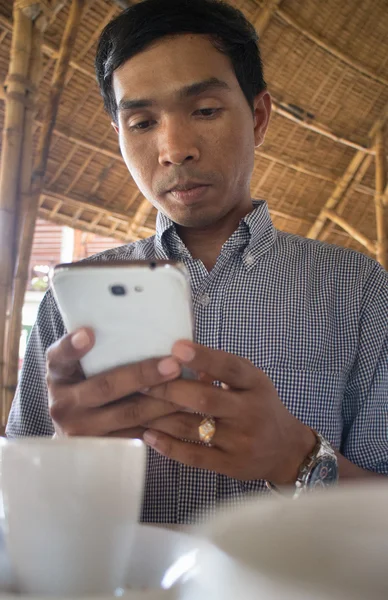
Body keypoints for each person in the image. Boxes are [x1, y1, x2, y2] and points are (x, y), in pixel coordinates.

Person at [7, 0, 387, 524]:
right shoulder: (69, 304)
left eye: (205, 110)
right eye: (141, 121)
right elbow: (19, 513)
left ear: (257, 116)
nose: (175, 148)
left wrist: (297, 458)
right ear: (119, 136)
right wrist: (66, 452)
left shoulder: (360, 290)